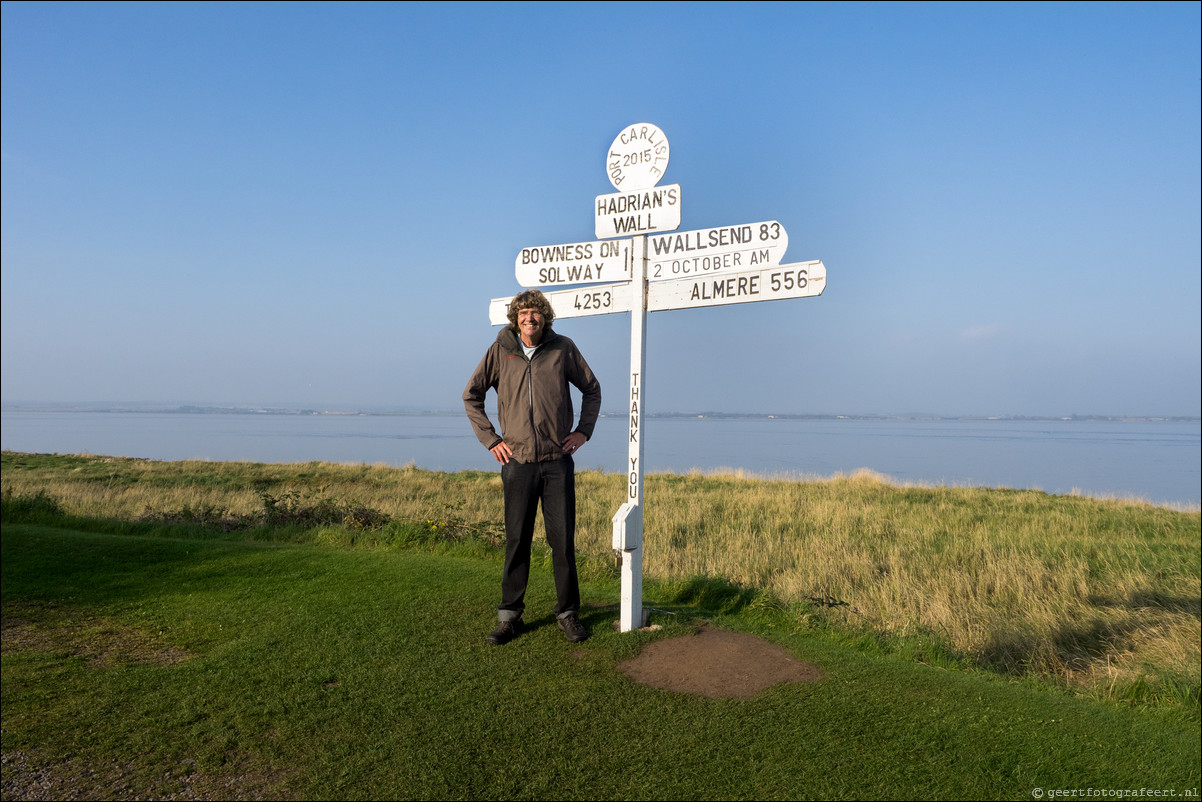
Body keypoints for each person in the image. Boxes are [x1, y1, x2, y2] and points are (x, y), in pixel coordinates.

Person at [463, 289, 601, 645]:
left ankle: (568, 614)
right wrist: (492, 440)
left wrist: (583, 431)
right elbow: (472, 395)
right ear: (516, 318)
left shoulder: (562, 348)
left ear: (545, 317)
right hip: (518, 462)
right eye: (524, 313)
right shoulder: (501, 350)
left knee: (562, 542)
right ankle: (509, 618)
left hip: (557, 462)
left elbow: (591, 389)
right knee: (516, 540)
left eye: (536, 313)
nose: (530, 318)